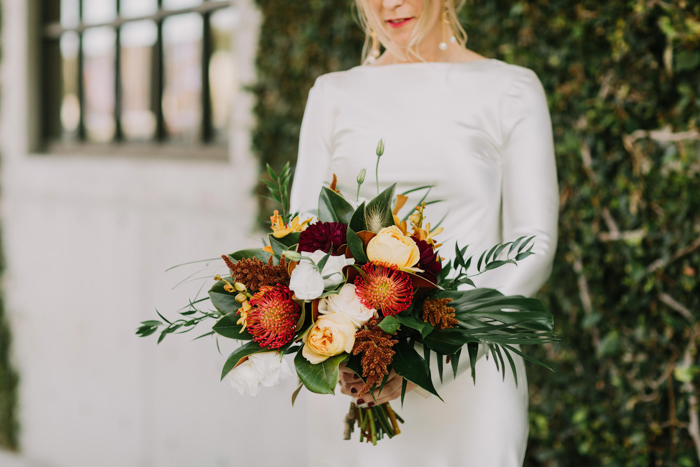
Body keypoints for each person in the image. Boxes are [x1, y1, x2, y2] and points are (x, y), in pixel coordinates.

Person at [289, 0, 559, 465]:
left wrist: (432, 360)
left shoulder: (509, 89)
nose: (389, 4)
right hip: (353, 372)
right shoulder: (332, 94)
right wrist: (348, 347)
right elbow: (304, 236)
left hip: (472, 370)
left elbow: (533, 244)